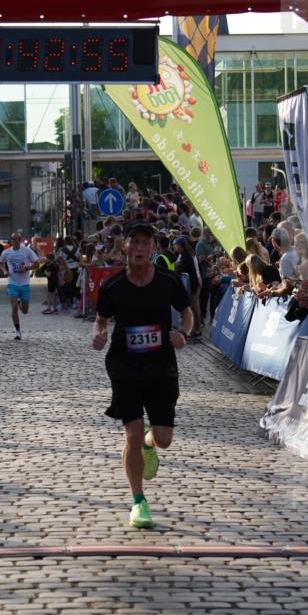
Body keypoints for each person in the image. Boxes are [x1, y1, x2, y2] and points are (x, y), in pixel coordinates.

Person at [92, 221, 193, 530]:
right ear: (126, 247)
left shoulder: (168, 281)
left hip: (161, 367)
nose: (138, 247)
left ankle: (151, 443)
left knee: (163, 439)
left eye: (144, 243)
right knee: (131, 434)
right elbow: (100, 321)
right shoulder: (112, 286)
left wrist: (183, 333)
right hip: (124, 366)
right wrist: (99, 334)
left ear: (152, 249)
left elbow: (187, 315)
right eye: (134, 242)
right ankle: (138, 502)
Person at [0, 231, 39, 339]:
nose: (16, 241)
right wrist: (4, 271)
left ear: (20, 240)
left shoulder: (27, 251)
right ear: (11, 241)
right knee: (14, 308)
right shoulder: (6, 253)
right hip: (12, 283)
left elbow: (37, 263)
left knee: (25, 311)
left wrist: (27, 268)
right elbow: (0, 263)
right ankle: (17, 332)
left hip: (25, 284)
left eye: (18, 239)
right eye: (14, 239)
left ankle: (20, 302)